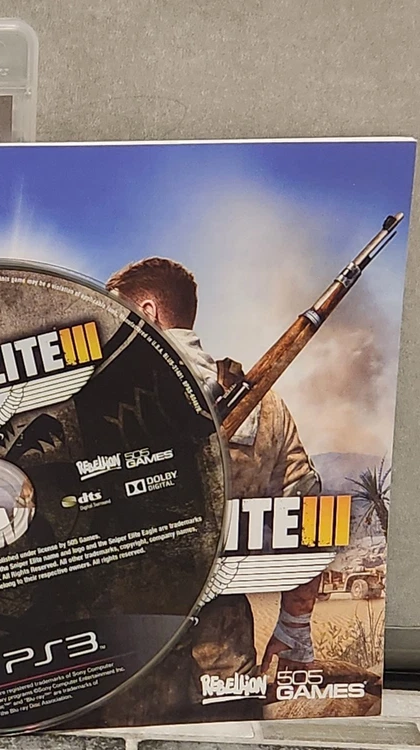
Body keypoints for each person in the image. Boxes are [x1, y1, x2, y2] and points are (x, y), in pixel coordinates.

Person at [94, 256, 323, 724]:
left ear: (148, 312)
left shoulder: (102, 401)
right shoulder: (266, 406)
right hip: (225, 661)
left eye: (115, 313)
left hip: (125, 659)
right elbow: (310, 517)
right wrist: (295, 627)